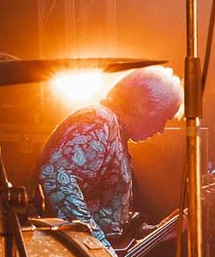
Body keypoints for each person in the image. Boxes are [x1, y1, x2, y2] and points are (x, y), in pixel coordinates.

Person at [38, 65, 183, 246]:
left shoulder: (114, 131)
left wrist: (155, 232)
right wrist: (98, 246)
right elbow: (57, 179)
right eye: (163, 118)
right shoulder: (97, 120)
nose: (161, 129)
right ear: (145, 105)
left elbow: (108, 220)